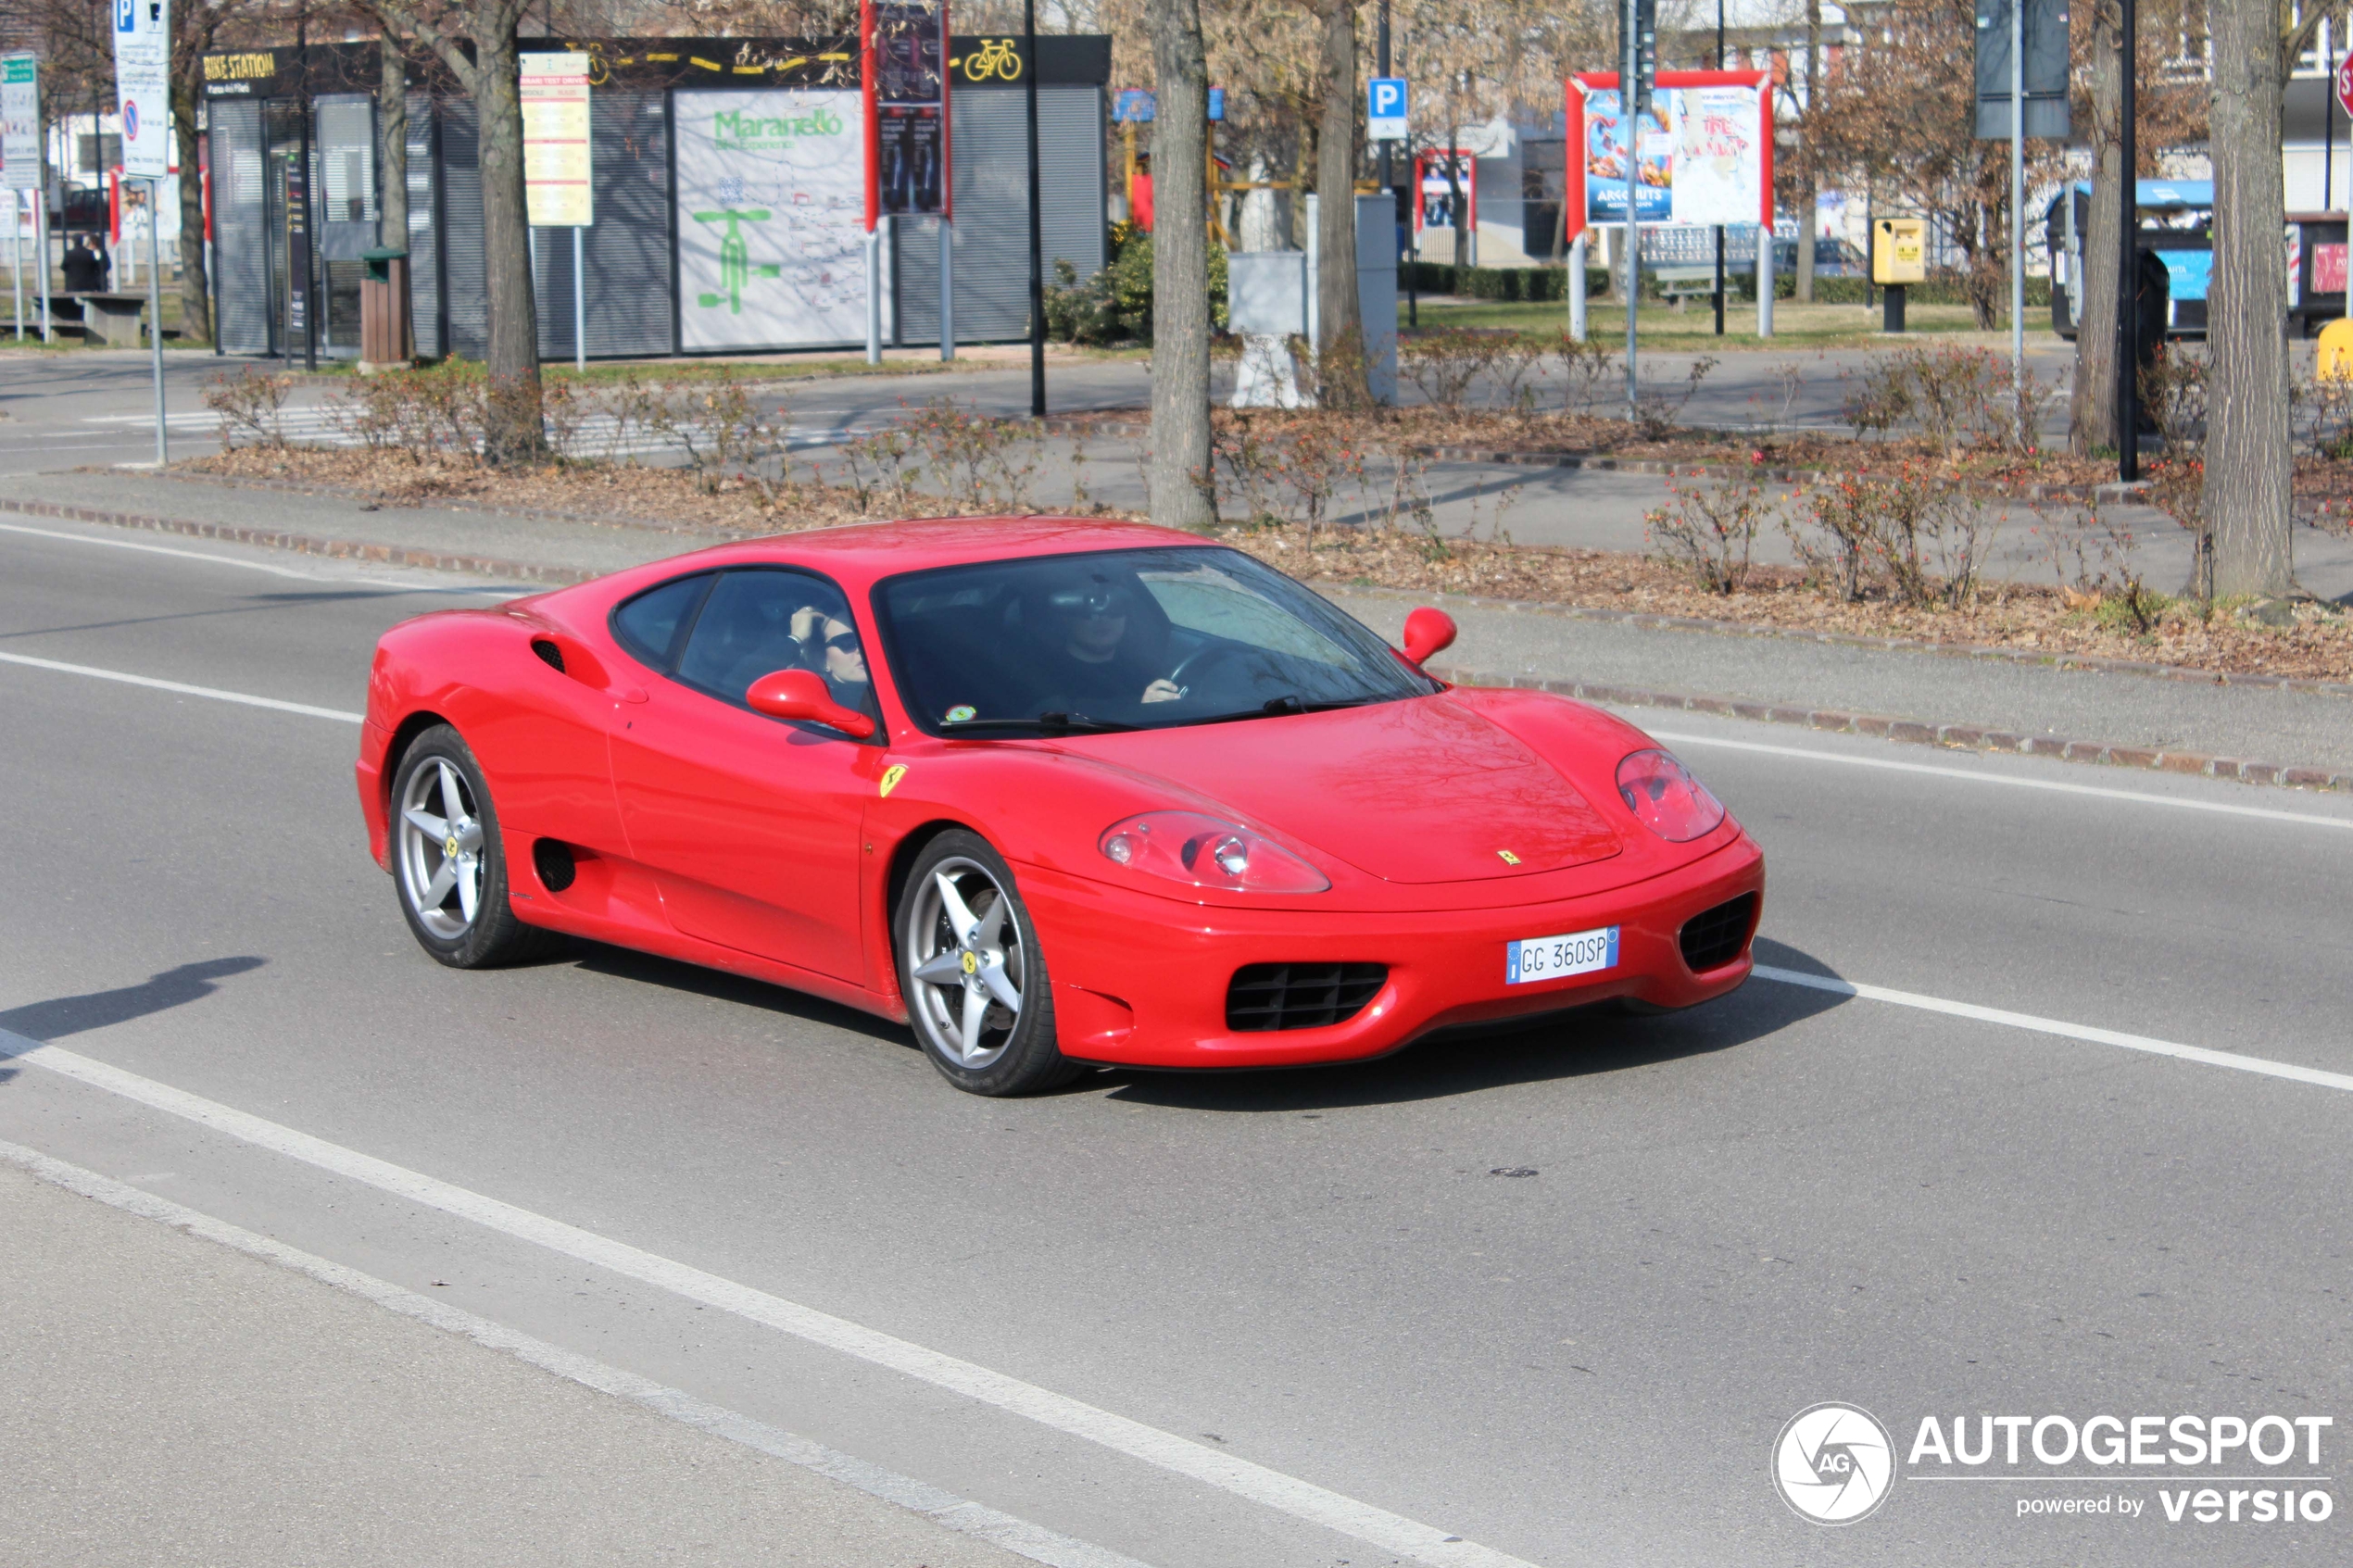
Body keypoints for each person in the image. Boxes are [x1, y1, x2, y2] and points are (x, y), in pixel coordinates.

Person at [1024, 573, 1181, 714]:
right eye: (1088, 608)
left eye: (1114, 607)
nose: (1102, 617)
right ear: (1067, 616)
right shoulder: (1040, 678)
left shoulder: (1145, 671)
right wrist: (1141, 710)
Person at [790, 603, 872, 709]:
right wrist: (797, 639)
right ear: (821, 660)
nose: (862, 648)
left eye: (869, 639)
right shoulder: (815, 711)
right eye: (847, 641)